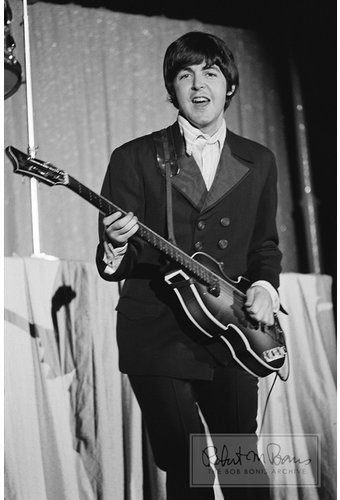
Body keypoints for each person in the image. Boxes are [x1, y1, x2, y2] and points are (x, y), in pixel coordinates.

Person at [96, 31, 281, 500]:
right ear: (172, 89)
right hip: (158, 330)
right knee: (187, 465)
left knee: (241, 462)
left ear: (229, 85)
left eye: (211, 73)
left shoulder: (258, 160)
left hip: (232, 328)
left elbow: (264, 245)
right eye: (185, 75)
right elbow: (122, 258)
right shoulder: (135, 156)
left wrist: (264, 286)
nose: (199, 85)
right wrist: (115, 245)